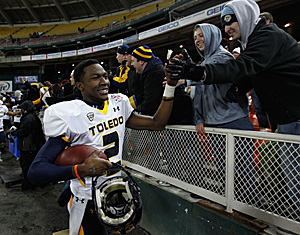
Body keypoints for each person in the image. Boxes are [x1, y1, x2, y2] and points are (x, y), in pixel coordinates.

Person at [167, 0, 300, 231]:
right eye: (224, 23)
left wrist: (197, 72)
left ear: (246, 16)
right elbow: (254, 71)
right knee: (276, 177)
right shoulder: (253, 41)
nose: (227, 28)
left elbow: (245, 66)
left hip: (293, 115)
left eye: (231, 21)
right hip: (287, 116)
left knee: (283, 177)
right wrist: (240, 86)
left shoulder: (267, 35)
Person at [28, 59, 177, 235]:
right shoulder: (71, 114)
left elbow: (157, 123)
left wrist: (171, 87)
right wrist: (79, 170)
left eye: (105, 76)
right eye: (96, 77)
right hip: (87, 200)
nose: (104, 81)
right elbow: (35, 171)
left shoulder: (118, 103)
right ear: (81, 85)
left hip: (114, 190)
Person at [9, 100, 45, 190]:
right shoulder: (33, 117)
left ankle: (28, 184)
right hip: (33, 145)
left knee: (27, 165)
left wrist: (14, 132)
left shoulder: (28, 119)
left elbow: (23, 132)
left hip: (28, 146)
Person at [131, 45, 165, 115]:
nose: (132, 64)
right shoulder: (150, 71)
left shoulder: (155, 73)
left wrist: (136, 112)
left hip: (177, 120)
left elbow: (150, 104)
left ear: (141, 61)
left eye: (133, 61)